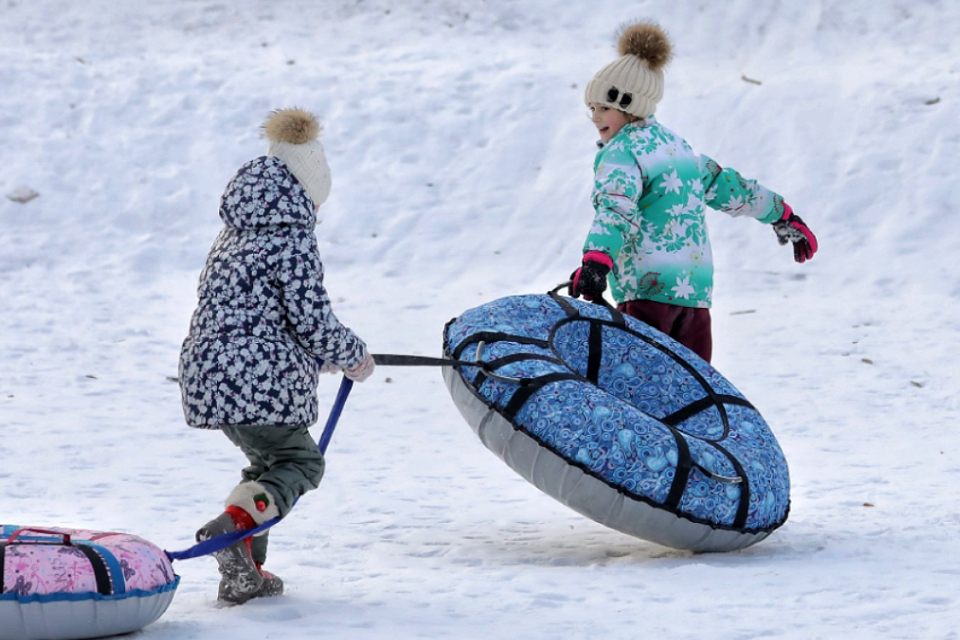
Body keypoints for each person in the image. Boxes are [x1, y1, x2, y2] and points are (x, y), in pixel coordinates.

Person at [178, 108, 375, 604]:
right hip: (257, 378)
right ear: (305, 190)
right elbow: (310, 317)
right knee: (300, 463)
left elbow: (256, 312)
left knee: (267, 467)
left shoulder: (236, 232)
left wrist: (308, 356)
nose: (317, 211)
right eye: (317, 200)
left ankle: (246, 570)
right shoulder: (291, 236)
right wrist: (352, 356)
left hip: (210, 373)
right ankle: (230, 530)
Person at [569, 21, 817, 363]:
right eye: (592, 108)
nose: (595, 117)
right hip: (694, 295)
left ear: (631, 105)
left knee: (640, 380)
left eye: (604, 107)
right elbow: (729, 187)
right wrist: (781, 214)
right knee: (693, 382)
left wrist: (597, 262)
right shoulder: (678, 149)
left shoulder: (621, 152)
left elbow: (616, 209)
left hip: (647, 290)